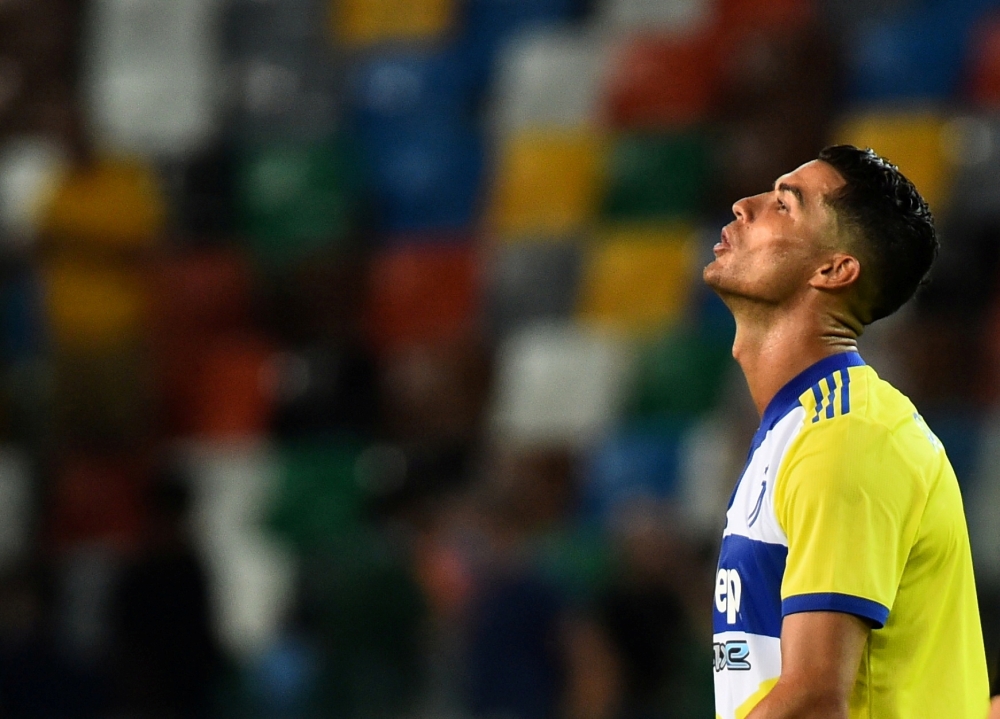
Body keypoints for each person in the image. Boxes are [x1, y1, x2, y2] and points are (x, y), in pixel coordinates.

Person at [703, 144, 989, 719]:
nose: (744, 205)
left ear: (834, 269)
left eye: (785, 205)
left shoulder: (847, 435)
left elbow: (812, 701)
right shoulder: (800, 428)